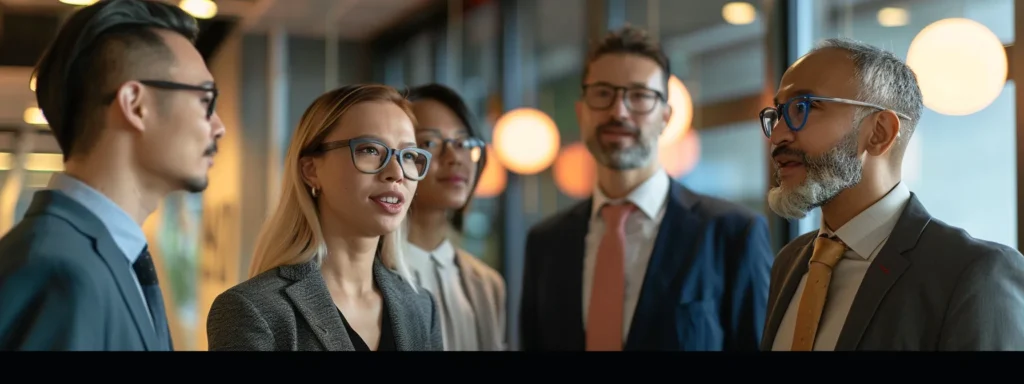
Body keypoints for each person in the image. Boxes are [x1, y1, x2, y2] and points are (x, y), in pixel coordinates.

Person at [760, 38, 1024, 351]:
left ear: (880, 132)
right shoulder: (790, 262)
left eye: (804, 107)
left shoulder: (973, 272)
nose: (777, 135)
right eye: (778, 113)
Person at [519, 25, 773, 351]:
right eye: (602, 93)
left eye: (639, 95)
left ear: (666, 116)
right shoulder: (544, 243)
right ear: (581, 113)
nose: (618, 111)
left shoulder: (733, 233)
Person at [0, 0, 223, 351]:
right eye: (205, 101)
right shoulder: (60, 271)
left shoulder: (108, 257)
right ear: (136, 104)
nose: (218, 126)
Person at [206, 84, 443, 351]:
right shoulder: (253, 310)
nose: (396, 172)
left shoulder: (421, 308)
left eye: (408, 155)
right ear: (311, 170)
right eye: (370, 150)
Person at [404, 83, 507, 351]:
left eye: (463, 143)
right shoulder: (366, 276)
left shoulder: (487, 284)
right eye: (429, 143)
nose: (454, 157)